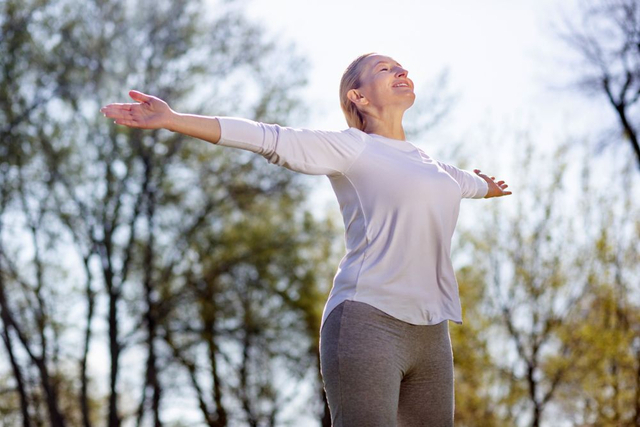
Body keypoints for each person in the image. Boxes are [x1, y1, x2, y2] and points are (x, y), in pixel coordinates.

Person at [101, 52, 511, 427]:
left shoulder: (435, 167)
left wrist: (486, 185)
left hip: (432, 332)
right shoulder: (352, 148)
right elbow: (268, 137)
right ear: (359, 97)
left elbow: (468, 184)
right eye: (385, 69)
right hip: (368, 319)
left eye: (401, 66)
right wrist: (173, 119)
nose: (402, 71)